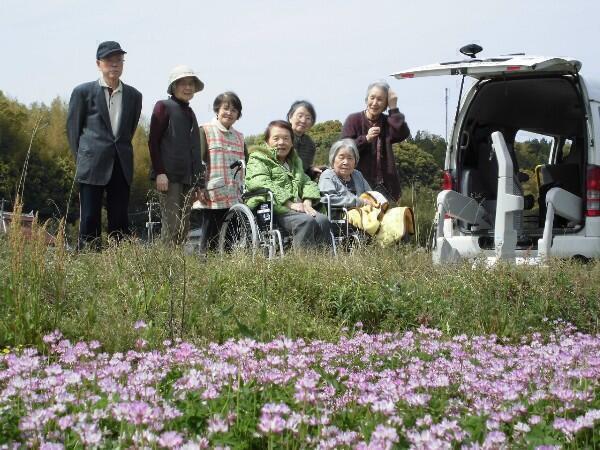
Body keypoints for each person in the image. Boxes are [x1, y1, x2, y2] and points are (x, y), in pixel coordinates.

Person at [67, 41, 142, 250]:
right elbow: (73, 130)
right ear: (98, 63)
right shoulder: (83, 92)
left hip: (121, 162)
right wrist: (82, 158)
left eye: (119, 60)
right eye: (109, 60)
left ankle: (118, 261)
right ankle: (89, 259)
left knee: (119, 217)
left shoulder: (134, 95)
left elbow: (130, 129)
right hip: (91, 162)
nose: (115, 65)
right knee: (90, 215)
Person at [245, 120, 331, 250]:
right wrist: (290, 204)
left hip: (299, 207)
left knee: (323, 220)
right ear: (267, 141)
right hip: (274, 208)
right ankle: (302, 263)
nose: (281, 142)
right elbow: (260, 182)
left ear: (292, 143)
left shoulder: (294, 161)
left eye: (286, 138)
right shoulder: (257, 159)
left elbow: (306, 181)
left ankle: (322, 261)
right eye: (276, 138)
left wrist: (307, 201)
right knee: (305, 222)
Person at [319, 138, 414, 246]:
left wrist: (379, 203)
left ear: (355, 161)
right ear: (333, 159)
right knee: (379, 225)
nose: (345, 162)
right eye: (341, 157)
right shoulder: (327, 175)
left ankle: (402, 252)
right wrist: (359, 202)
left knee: (399, 216)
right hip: (341, 219)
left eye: (350, 158)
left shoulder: (357, 175)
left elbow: (370, 195)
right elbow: (329, 199)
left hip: (366, 216)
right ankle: (389, 248)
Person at [148, 65, 204, 245]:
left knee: (183, 228)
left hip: (187, 178)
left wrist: (198, 183)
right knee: (171, 226)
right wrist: (160, 172)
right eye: (182, 83)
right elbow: (153, 141)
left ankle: (177, 269)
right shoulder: (163, 106)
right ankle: (164, 268)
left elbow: (195, 150)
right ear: (173, 86)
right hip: (168, 177)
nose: (188, 87)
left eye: (191, 84)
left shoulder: (190, 113)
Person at [341, 80, 410, 202]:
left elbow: (403, 133)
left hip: (386, 186)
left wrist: (394, 108)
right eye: (372, 98)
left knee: (389, 219)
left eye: (380, 99)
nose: (374, 103)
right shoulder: (354, 120)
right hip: (358, 185)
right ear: (366, 99)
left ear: (385, 105)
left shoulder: (388, 122)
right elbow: (343, 149)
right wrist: (365, 139)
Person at [194, 92, 246, 252]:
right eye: (226, 108)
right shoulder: (205, 130)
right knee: (210, 238)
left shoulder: (240, 137)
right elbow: (197, 161)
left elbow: (246, 164)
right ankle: (205, 271)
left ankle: (226, 272)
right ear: (217, 109)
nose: (229, 113)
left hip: (234, 195)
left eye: (234, 110)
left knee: (230, 240)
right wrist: (199, 186)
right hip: (212, 195)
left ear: (238, 115)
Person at [287, 100, 325, 179]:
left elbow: (304, 170)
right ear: (290, 117)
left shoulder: (310, 144)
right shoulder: (281, 136)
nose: (303, 120)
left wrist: (311, 170)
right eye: (300, 116)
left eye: (308, 118)